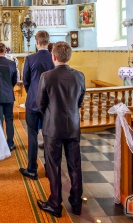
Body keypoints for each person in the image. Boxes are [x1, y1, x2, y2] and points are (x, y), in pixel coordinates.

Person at [36, 42, 85, 217]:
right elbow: (80, 101)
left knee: (54, 166)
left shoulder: (47, 76)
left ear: (54, 56)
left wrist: (49, 115)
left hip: (53, 127)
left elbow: (40, 103)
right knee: (75, 165)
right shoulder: (79, 76)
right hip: (72, 125)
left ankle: (55, 203)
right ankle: (77, 202)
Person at [19, 30, 54, 180]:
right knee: (48, 136)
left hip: (33, 102)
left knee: (32, 135)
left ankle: (32, 169)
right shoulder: (54, 58)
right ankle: (49, 168)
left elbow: (25, 80)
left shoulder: (30, 58)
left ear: (37, 42)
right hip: (50, 103)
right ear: (48, 41)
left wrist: (32, 93)